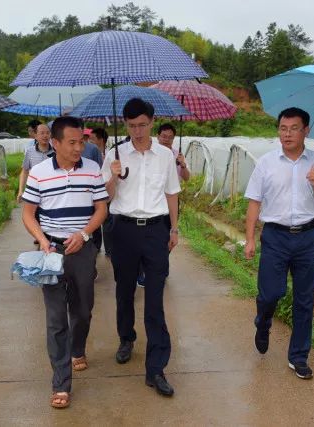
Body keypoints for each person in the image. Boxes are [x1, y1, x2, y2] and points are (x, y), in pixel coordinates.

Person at [243, 107, 314, 380]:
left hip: (308, 237)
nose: (287, 134)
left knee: (304, 300)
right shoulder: (266, 163)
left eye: (293, 128)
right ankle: (263, 322)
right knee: (271, 293)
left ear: (305, 131)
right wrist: (250, 238)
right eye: (283, 128)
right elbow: (254, 202)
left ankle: (298, 357)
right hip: (275, 236)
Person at [21, 116, 108, 409]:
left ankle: (78, 348)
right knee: (56, 317)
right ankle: (61, 383)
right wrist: (42, 240)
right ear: (54, 143)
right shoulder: (40, 172)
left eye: (81, 141)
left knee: (83, 310)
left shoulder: (93, 168)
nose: (78, 147)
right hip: (51, 251)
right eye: (71, 142)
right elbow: (28, 213)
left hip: (82, 249)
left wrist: (84, 234)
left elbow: (101, 208)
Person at [101, 98, 180, 397]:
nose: (137, 131)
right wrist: (113, 176)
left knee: (155, 300)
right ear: (125, 124)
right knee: (124, 291)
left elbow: (172, 192)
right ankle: (126, 337)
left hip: (156, 231)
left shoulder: (165, 155)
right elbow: (104, 198)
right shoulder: (114, 154)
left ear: (152, 121)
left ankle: (156, 368)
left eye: (143, 125)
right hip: (122, 230)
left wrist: (174, 228)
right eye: (132, 126)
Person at [90, 128, 113, 256]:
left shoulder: (111, 153)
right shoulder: (91, 152)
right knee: (95, 218)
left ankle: (109, 249)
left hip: (107, 191)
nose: (90, 142)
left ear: (101, 140)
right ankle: (96, 245)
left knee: (107, 220)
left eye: (93, 139)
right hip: (94, 190)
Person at [17, 123, 53, 203]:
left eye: (47, 133)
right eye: (42, 133)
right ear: (36, 136)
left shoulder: (56, 151)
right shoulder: (30, 151)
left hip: (52, 191)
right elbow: (24, 172)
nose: (45, 135)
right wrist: (20, 191)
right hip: (34, 191)